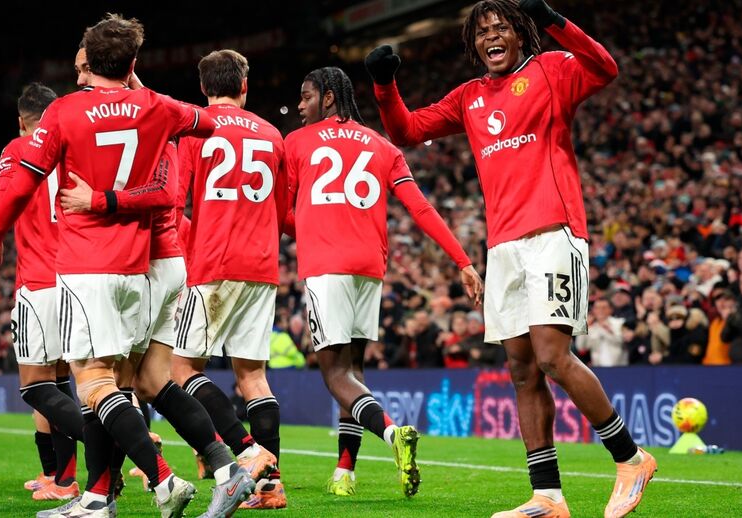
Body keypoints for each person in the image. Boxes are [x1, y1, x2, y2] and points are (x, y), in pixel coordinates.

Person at [365, 0, 656, 516]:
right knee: (522, 372)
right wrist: (386, 86)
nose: (492, 37)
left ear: (520, 35)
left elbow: (605, 68)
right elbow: (407, 131)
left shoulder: (551, 68)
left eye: (501, 28)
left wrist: (553, 19)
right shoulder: (469, 96)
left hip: (553, 234)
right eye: (482, 32)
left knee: (551, 356)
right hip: (502, 247)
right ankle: (547, 495)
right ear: (473, 45)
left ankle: (630, 457)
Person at [0, 14, 252, 518]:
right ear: (131, 64)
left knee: (94, 382)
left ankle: (162, 481)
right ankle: (221, 467)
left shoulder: (64, 113)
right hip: (142, 263)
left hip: (92, 263)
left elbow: (19, 184)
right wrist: (140, 93)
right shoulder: (155, 107)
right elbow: (212, 121)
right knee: (146, 381)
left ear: (90, 64)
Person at [56, 66, 257, 512]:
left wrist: (101, 200)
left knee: (103, 382)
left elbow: (164, 193)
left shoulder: (154, 137)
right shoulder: (154, 126)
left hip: (150, 264)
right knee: (149, 383)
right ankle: (226, 469)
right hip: (163, 263)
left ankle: (115, 493)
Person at [284, 66, 482, 498]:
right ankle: (345, 472)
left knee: (334, 375)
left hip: (326, 264)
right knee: (354, 371)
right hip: (369, 268)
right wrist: (463, 261)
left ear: (329, 98)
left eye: (305, 96)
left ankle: (393, 435)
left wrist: (308, 226)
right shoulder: (382, 146)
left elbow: (284, 212)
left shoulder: (296, 143)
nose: (299, 105)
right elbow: (421, 209)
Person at [168, 49, 285, 510]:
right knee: (254, 377)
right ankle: (272, 486)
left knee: (181, 371)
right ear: (244, 85)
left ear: (203, 88)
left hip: (214, 263)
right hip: (262, 264)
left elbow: (175, 208)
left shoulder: (195, 130)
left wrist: (197, 246)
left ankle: (247, 451)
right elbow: (278, 212)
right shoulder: (273, 134)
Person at [0, 82, 84, 502]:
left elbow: (2, 199)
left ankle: (116, 438)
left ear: (21, 120)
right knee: (61, 382)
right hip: (81, 275)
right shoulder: (74, 142)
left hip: (39, 281)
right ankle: (63, 478)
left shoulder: (17, 149)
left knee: (36, 386)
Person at [575, 299, 627, 366]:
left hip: (620, 367)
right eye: (597, 308)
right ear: (593, 310)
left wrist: (609, 331)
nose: (600, 310)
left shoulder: (619, 323)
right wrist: (584, 327)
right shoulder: (591, 328)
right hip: (598, 368)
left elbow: (623, 342)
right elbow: (580, 347)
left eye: (604, 308)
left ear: (611, 309)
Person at [702, 290, 734, 365]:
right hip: (708, 365)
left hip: (724, 366)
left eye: (724, 301)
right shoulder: (714, 322)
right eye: (718, 300)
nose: (721, 303)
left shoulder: (734, 322)